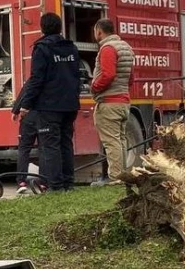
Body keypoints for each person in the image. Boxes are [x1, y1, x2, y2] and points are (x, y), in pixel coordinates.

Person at [10, 12, 81, 192]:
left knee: (50, 146)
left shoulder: (42, 48)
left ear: (42, 28)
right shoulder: (71, 48)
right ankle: (68, 183)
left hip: (49, 106)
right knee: (66, 143)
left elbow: (36, 79)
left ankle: (55, 187)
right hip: (70, 105)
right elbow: (76, 76)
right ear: (59, 27)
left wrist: (25, 105)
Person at [89, 19, 134, 186]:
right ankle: (122, 174)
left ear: (99, 31)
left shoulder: (108, 48)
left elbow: (108, 75)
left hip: (109, 103)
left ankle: (116, 177)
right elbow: (131, 78)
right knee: (120, 139)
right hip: (123, 101)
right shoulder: (126, 48)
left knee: (111, 141)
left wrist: (94, 86)